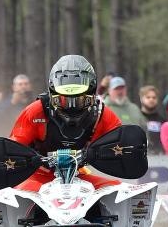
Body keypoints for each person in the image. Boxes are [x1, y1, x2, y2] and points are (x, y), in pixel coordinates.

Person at [7, 55, 123, 190]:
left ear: (91, 94)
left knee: (118, 191)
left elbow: (121, 144)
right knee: (15, 194)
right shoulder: (36, 110)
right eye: (64, 98)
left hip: (78, 176)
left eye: (79, 98)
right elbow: (13, 149)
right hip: (37, 176)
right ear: (53, 93)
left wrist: (99, 154)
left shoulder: (101, 113)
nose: (71, 106)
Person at [138, 85, 166, 154]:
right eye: (148, 97)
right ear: (141, 99)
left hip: (159, 157)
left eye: (154, 97)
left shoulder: (163, 121)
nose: (151, 99)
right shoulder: (136, 118)